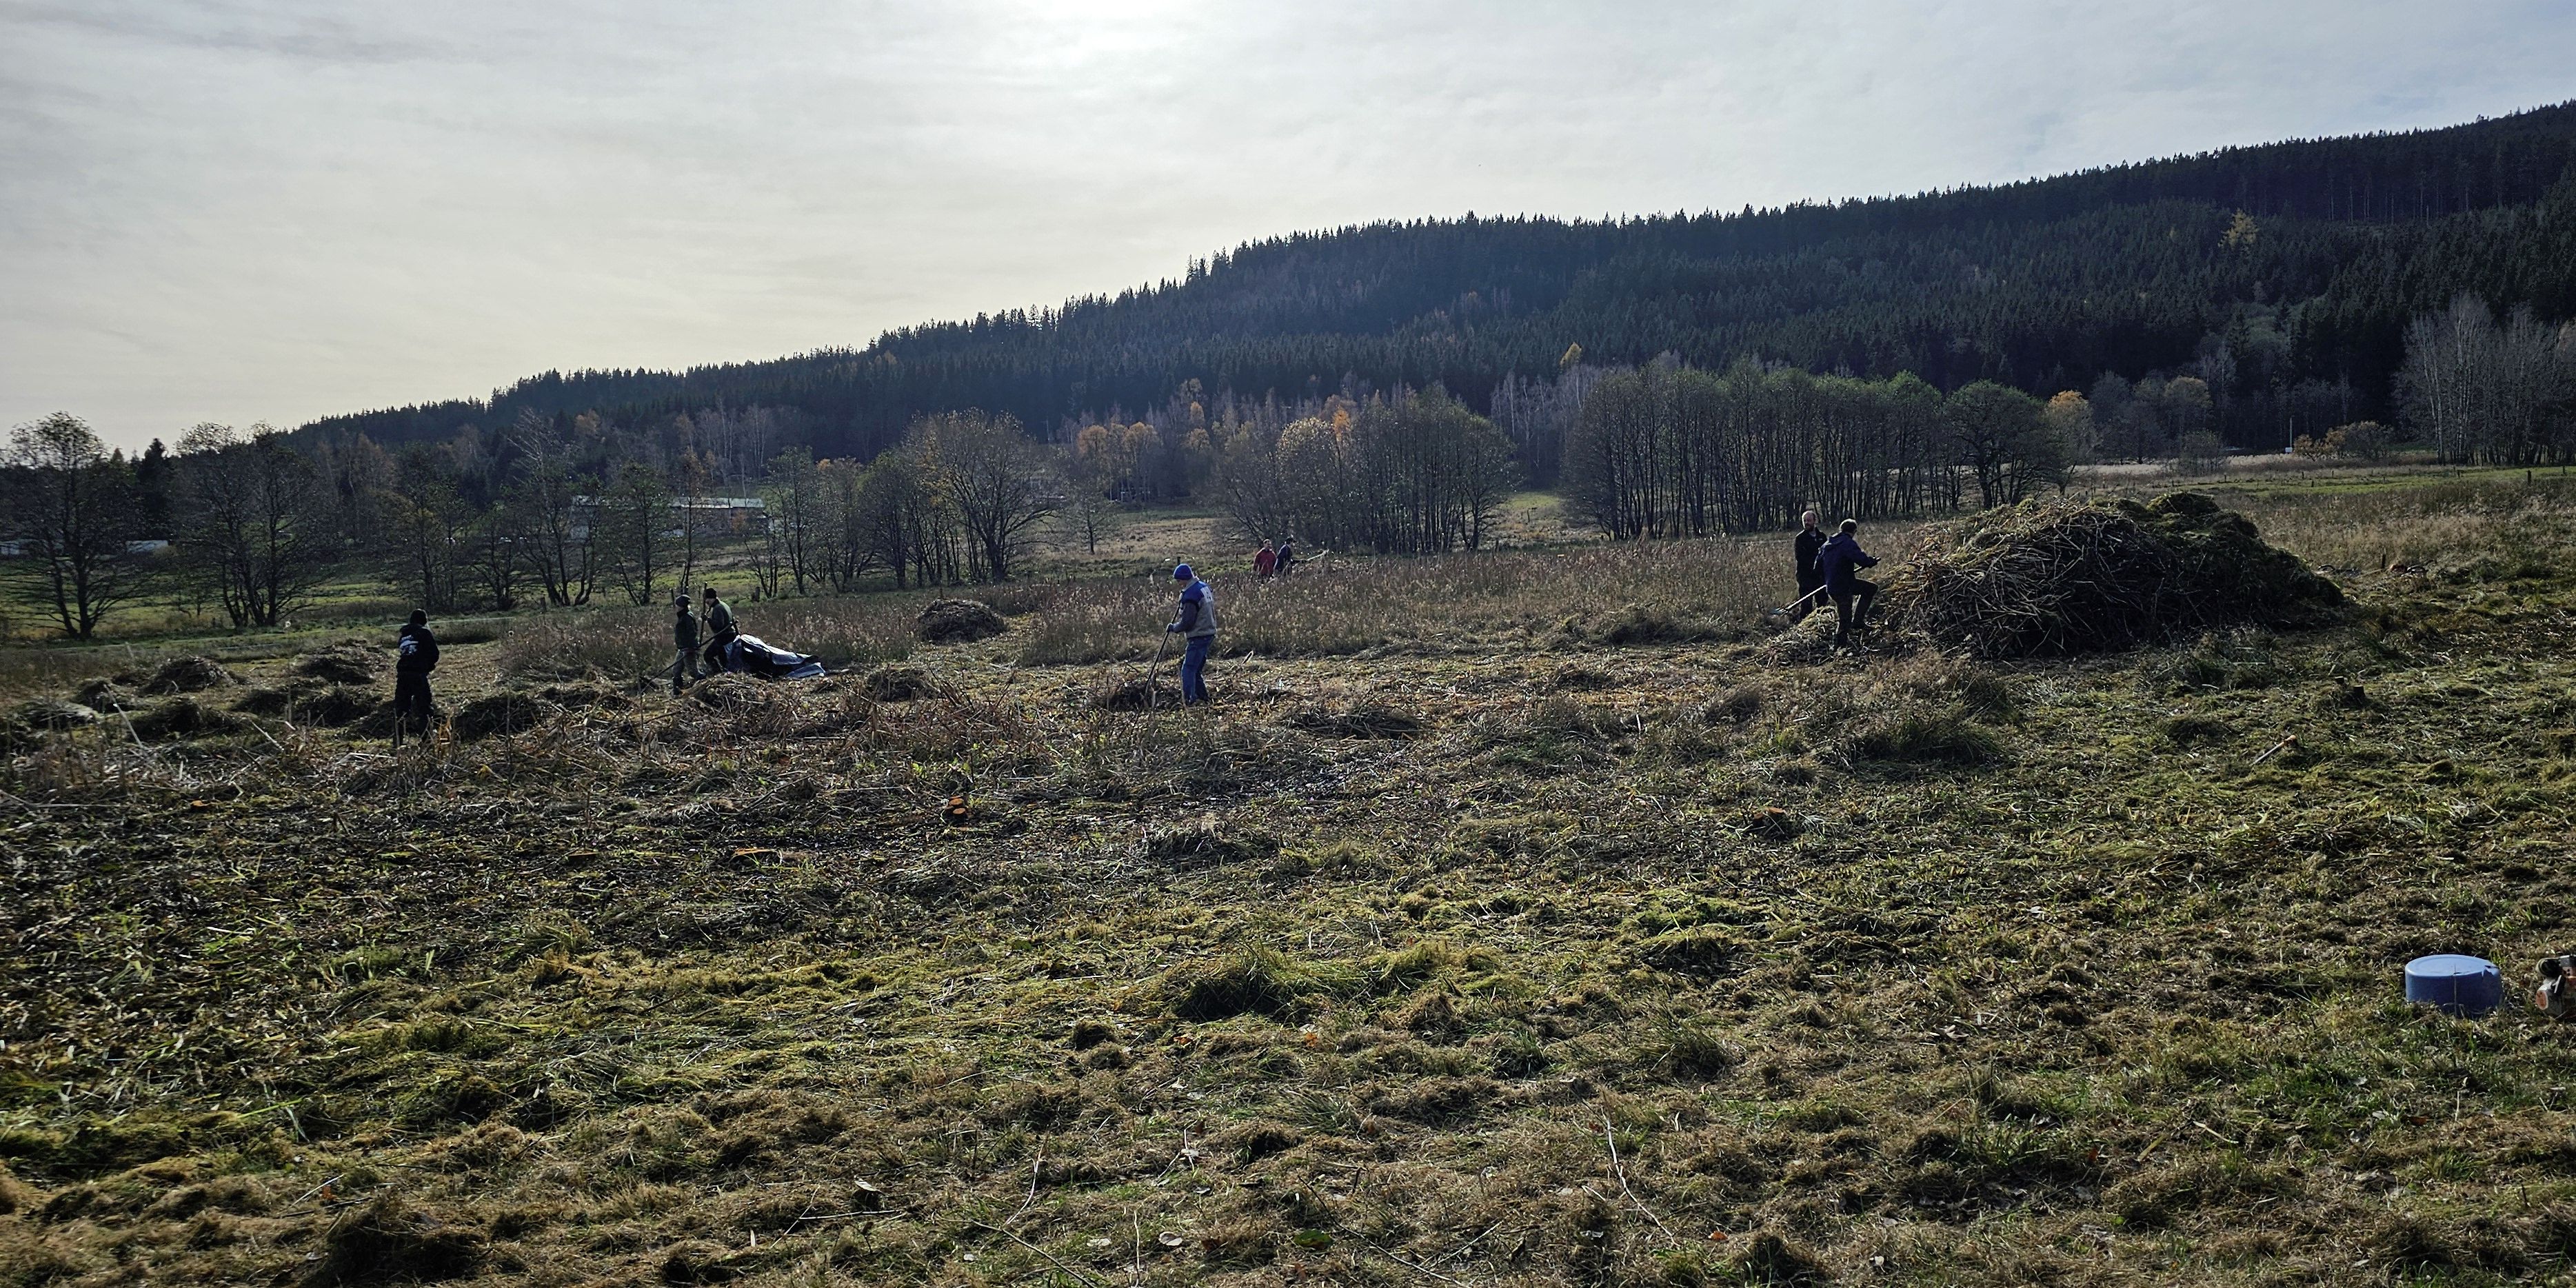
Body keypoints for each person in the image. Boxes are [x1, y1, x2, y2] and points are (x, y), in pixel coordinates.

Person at [1815, 519, 1880, 648]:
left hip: (1835, 585)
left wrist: (1829, 576)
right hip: (1843, 587)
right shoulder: (1848, 543)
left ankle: (1858, 621)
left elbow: (1817, 567)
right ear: (1854, 531)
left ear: (1841, 530)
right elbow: (1861, 560)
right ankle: (1840, 648)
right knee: (1845, 619)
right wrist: (1871, 561)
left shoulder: (1827, 544)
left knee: (1870, 589)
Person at [1165, 563, 1218, 705]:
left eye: (1179, 581)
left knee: (1187, 669)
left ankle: (1189, 701)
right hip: (1209, 632)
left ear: (1184, 579)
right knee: (1196, 669)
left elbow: (1187, 622)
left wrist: (1173, 628)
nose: (1179, 584)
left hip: (1199, 635)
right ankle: (1203, 698)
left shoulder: (1191, 595)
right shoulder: (1203, 587)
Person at [394, 610, 439, 741]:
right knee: (424, 707)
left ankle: (398, 740)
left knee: (401, 709)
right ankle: (427, 738)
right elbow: (434, 654)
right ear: (424, 620)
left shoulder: (403, 635)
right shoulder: (424, 633)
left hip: (402, 674)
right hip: (418, 674)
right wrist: (428, 667)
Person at [1791, 510, 1827, 621]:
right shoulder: (1800, 538)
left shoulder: (1822, 537)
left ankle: (1822, 623)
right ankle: (1804, 626)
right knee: (1806, 604)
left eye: (1809, 520)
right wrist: (1814, 565)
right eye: (1804, 521)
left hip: (1820, 576)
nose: (1806, 523)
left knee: (1823, 602)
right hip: (1805, 576)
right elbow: (1800, 558)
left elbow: (1826, 554)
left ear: (1814, 521)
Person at [700, 585, 737, 673]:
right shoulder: (724, 605)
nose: (706, 602)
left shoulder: (717, 608)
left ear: (711, 598)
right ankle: (725, 674)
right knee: (723, 658)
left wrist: (707, 620)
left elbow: (719, 625)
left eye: (707, 599)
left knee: (708, 655)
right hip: (730, 636)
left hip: (723, 637)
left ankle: (718, 674)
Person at [670, 594, 703, 694]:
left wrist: (690, 648)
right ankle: (677, 691)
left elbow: (692, 633)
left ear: (680, 606)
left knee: (693, 672)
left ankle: (704, 685)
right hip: (682, 648)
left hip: (688, 648)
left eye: (677, 605)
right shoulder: (683, 616)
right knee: (676, 670)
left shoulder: (687, 617)